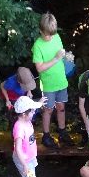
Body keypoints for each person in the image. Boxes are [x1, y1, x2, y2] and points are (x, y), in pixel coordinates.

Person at [32, 13, 73, 149]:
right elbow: (39, 68)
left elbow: (60, 53)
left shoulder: (56, 37)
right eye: (47, 34)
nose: (50, 37)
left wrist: (66, 56)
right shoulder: (38, 45)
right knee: (48, 109)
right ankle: (46, 135)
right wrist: (56, 58)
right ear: (41, 30)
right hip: (48, 84)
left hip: (61, 80)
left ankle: (61, 132)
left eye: (51, 34)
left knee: (61, 107)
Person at [12, 95, 46, 177]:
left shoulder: (26, 119)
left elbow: (34, 109)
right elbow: (18, 149)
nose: (34, 113)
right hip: (23, 160)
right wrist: (24, 164)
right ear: (24, 114)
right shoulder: (19, 128)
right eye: (32, 111)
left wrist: (40, 103)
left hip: (29, 157)